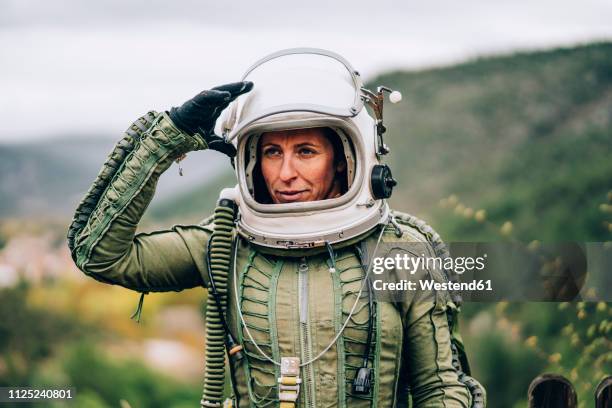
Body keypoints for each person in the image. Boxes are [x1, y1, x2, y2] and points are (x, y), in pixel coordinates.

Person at [68, 48, 486, 408]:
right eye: (272, 152)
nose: (286, 173)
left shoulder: (401, 252)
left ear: (344, 157)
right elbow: (100, 254)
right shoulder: (224, 246)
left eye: (306, 151)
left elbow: (440, 387)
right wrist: (168, 138)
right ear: (251, 159)